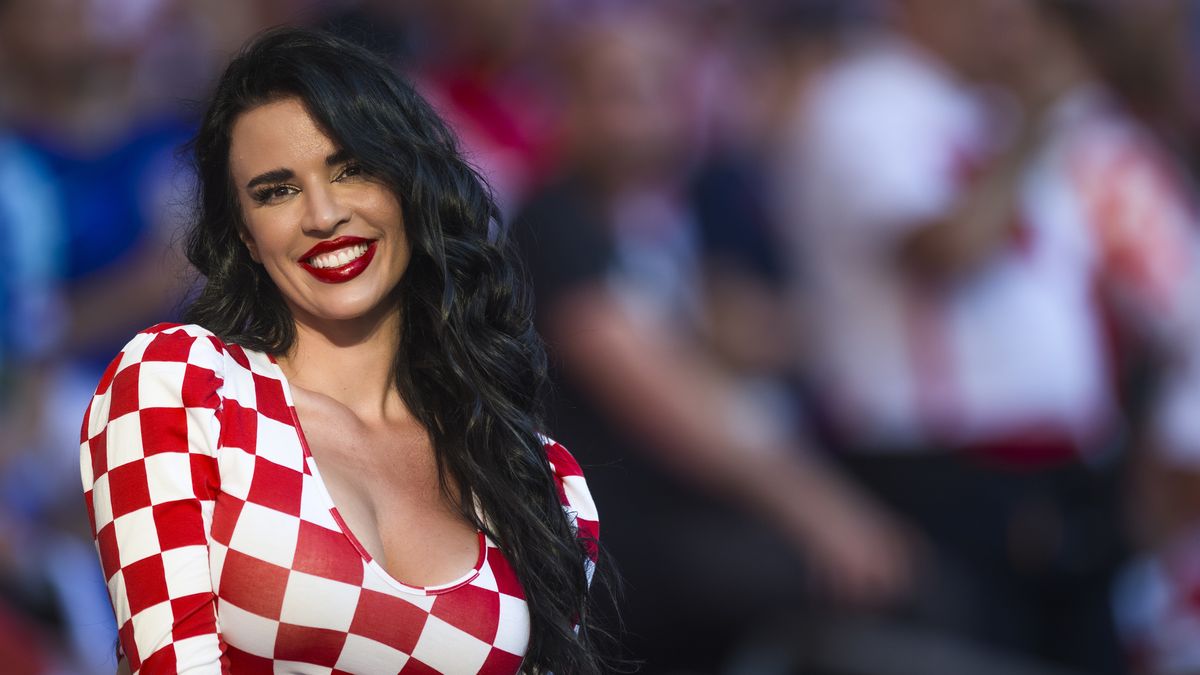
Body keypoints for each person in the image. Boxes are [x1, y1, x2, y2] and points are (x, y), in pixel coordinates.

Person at [78, 27, 601, 674]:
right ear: (243, 235)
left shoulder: (542, 475)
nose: (322, 215)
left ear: (410, 185)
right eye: (277, 190)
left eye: (352, 169)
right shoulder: (183, 385)